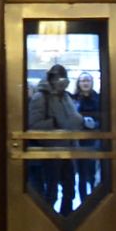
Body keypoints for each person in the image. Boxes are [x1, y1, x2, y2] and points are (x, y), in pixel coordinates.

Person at [27, 64, 95, 215]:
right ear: (51, 78)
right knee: (51, 193)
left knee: (70, 190)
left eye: (64, 78)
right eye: (58, 78)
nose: (62, 81)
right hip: (50, 151)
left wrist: (83, 122)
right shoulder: (41, 97)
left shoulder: (65, 96)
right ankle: (46, 225)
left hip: (68, 150)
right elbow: (33, 125)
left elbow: (73, 118)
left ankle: (66, 224)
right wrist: (56, 123)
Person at [71, 72, 101, 201]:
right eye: (82, 81)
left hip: (95, 139)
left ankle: (94, 199)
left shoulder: (98, 98)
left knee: (93, 173)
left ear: (91, 82)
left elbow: (104, 116)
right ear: (78, 83)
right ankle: (83, 201)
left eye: (87, 80)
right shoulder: (74, 99)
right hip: (79, 140)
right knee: (81, 174)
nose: (85, 83)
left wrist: (95, 124)